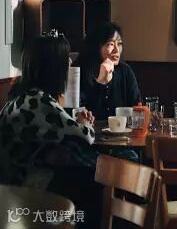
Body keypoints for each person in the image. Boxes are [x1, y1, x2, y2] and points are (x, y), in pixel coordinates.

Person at [0, 31, 101, 227]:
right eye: (66, 60)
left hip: (14, 183)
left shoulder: (21, 96)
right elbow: (85, 136)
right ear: (55, 68)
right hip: (23, 188)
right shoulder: (38, 100)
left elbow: (60, 129)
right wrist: (85, 123)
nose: (70, 64)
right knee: (94, 180)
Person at [75, 22, 141, 121]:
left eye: (119, 44)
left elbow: (137, 107)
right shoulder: (79, 72)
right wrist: (101, 82)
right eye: (110, 44)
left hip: (122, 130)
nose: (117, 50)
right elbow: (80, 113)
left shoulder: (125, 71)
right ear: (96, 46)